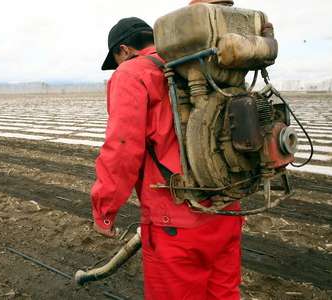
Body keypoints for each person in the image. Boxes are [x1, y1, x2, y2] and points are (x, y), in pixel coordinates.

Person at [91, 17, 243, 299]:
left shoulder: (132, 73)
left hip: (175, 219)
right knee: (223, 293)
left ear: (123, 50)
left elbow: (122, 148)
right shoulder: (201, 63)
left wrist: (105, 210)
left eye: (117, 59)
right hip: (227, 207)